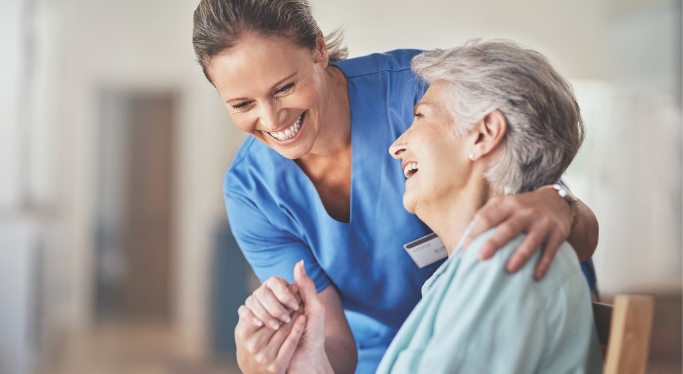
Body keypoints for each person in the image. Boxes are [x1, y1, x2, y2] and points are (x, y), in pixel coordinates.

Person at [191, 1, 600, 372]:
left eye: (284, 88)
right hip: (396, 352)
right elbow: (324, 341)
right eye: (242, 105)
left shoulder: (427, 91)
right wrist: (275, 358)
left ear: (318, 49)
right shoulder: (251, 189)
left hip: (505, 318)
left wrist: (558, 202)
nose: (272, 119)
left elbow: (532, 173)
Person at [374, 40, 603, 373]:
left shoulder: (506, 260)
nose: (396, 147)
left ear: (483, 134)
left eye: (420, 116)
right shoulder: (482, 263)